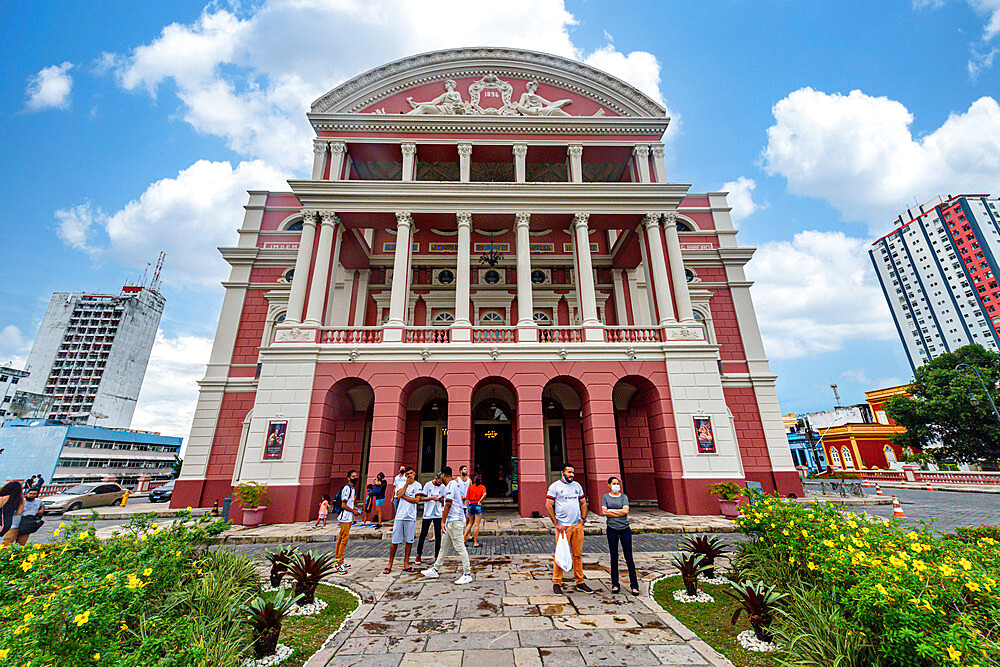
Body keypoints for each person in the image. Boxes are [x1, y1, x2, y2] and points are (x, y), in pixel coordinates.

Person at [421, 466, 473, 585]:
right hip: (451, 521)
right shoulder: (452, 485)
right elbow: (448, 499)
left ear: (444, 475)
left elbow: (448, 504)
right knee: (444, 546)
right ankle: (435, 569)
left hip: (455, 521)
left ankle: (467, 573)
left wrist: (442, 521)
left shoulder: (451, 485)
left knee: (460, 546)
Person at [545, 463, 590, 594]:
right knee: (560, 554)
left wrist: (583, 519)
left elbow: (583, 502)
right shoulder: (555, 487)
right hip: (562, 528)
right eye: (569, 472)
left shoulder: (577, 486)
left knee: (578, 555)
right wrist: (556, 523)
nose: (571, 475)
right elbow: (548, 504)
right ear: (562, 472)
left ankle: (580, 581)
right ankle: (556, 582)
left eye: (573, 473)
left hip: (577, 525)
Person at [601, 477, 639, 595]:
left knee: (629, 557)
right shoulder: (605, 497)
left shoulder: (624, 497)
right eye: (614, 483)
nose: (616, 485)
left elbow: (626, 511)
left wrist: (612, 511)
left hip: (625, 529)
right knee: (614, 556)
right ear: (609, 485)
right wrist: (619, 512)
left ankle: (634, 585)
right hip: (611, 529)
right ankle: (615, 584)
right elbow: (604, 512)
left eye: (617, 483)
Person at [385, 467, 421, 574]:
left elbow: (416, 500)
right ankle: (390, 564)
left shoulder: (418, 485)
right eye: (407, 474)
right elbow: (398, 495)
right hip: (400, 516)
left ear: (414, 473)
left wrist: (404, 496)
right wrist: (406, 485)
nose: (409, 475)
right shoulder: (401, 484)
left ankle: (406, 563)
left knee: (409, 541)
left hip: (410, 516)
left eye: (411, 473)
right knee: (394, 541)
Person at [333, 471, 362, 574]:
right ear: (348, 478)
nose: (355, 478)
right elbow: (343, 505)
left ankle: (338, 560)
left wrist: (355, 508)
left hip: (348, 517)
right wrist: (353, 511)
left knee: (341, 538)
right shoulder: (347, 488)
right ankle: (339, 563)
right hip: (345, 517)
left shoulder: (352, 489)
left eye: (356, 476)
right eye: (353, 476)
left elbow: (349, 503)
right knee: (344, 540)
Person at [415, 473, 444, 564]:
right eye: (438, 482)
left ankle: (437, 555)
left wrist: (440, 499)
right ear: (435, 478)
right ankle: (419, 554)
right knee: (423, 534)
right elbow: (422, 498)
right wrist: (432, 498)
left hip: (438, 513)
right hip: (428, 513)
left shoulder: (442, 486)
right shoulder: (428, 485)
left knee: (438, 535)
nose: (440, 483)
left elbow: (444, 498)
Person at [464, 475, 487, 547]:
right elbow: (484, 494)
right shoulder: (482, 487)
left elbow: (467, 498)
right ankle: (475, 542)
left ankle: (463, 538)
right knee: (476, 524)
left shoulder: (470, 487)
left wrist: (467, 508)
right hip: (477, 505)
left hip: (471, 505)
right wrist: (480, 500)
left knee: (470, 523)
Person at [455, 465, 472, 539]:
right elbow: (456, 490)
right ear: (460, 471)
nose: (466, 471)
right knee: (459, 519)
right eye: (464, 469)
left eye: (467, 469)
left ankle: (468, 534)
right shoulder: (457, 480)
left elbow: (471, 490)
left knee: (468, 519)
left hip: (467, 503)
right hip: (460, 503)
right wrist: (461, 497)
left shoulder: (469, 480)